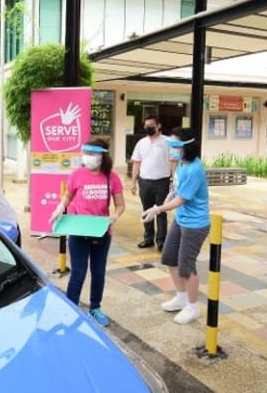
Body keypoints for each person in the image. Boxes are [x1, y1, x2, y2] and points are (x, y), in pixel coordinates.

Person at [48, 139, 125, 327]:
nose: (87, 158)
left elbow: (120, 204)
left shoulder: (111, 177)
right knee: (78, 273)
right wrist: (59, 209)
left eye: (92, 154)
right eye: (86, 153)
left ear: (102, 156)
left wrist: (114, 216)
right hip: (78, 231)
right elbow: (68, 196)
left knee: (98, 273)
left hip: (101, 232)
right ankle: (71, 308)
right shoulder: (77, 175)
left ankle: (95, 307)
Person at [141, 127, 208, 325]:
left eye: (175, 146)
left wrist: (158, 210)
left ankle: (193, 307)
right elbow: (176, 191)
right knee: (170, 258)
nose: (171, 150)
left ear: (187, 147)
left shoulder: (194, 169)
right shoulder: (181, 164)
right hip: (181, 220)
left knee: (186, 265)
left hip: (195, 224)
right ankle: (181, 297)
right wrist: (163, 201)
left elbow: (181, 200)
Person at [130, 115, 173, 251]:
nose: (148, 128)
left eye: (151, 125)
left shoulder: (167, 141)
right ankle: (148, 238)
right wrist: (133, 182)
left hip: (162, 181)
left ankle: (161, 241)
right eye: (146, 125)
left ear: (158, 126)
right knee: (146, 210)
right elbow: (136, 163)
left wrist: (173, 180)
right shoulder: (141, 143)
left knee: (161, 211)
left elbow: (173, 162)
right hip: (145, 181)